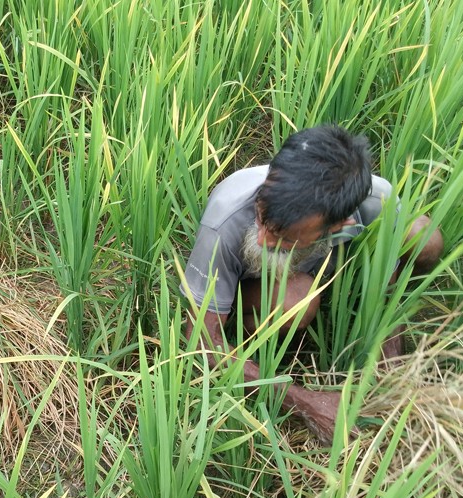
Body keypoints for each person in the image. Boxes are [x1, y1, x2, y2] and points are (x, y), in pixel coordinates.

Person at [181, 125, 443, 443]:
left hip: (331, 270)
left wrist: (390, 359)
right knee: (296, 300)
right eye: (262, 217)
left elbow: (390, 279)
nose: (262, 239)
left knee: (424, 237)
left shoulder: (376, 202)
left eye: (282, 236)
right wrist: (308, 403)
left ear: (339, 224)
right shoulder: (227, 217)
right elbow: (201, 340)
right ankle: (273, 339)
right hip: (257, 291)